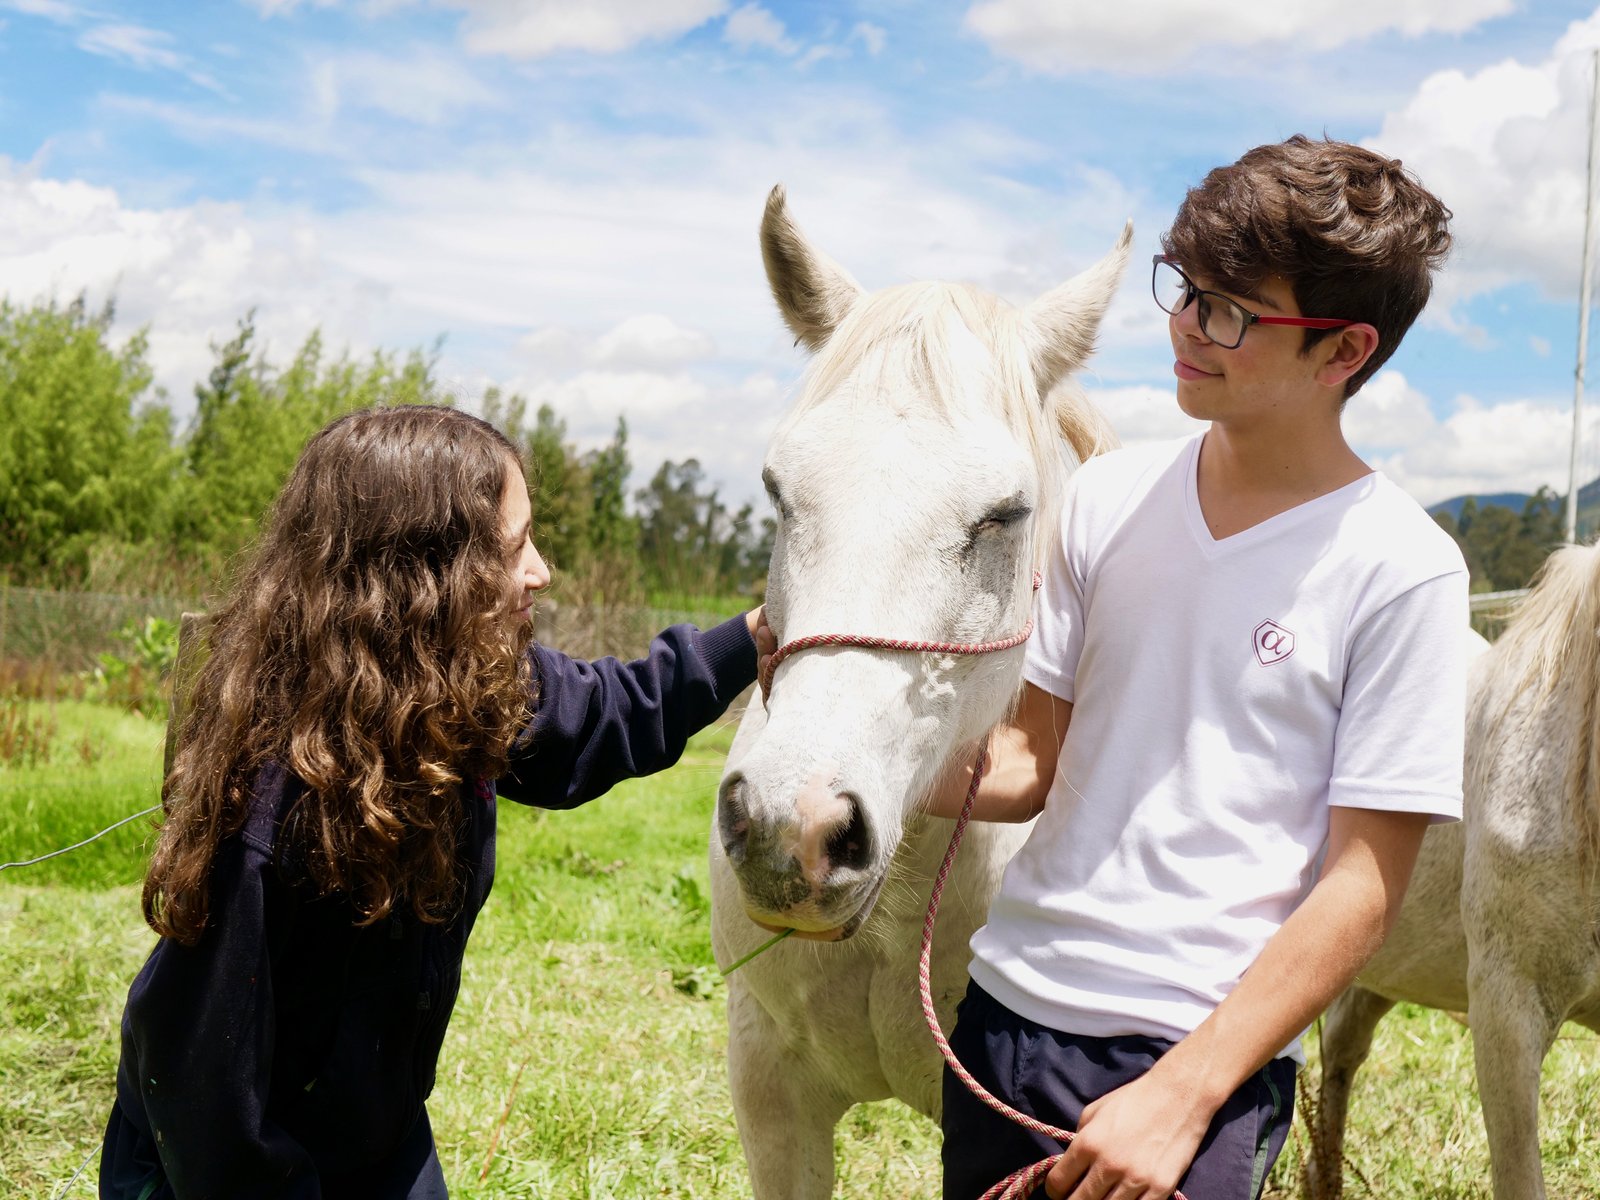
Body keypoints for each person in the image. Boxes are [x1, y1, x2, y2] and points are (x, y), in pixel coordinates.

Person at [932, 136, 1467, 1200]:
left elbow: (1363, 884)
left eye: (1229, 310)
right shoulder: (1104, 498)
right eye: (1183, 291)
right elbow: (1028, 764)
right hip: (1005, 1016)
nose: (1186, 327)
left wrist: (1183, 1093)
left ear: (1341, 352)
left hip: (1197, 1059)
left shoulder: (1402, 570)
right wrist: (855, 764)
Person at [99, 405, 770, 1199]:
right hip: (231, 1166)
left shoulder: (458, 693)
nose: (541, 571)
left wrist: (750, 637)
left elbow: (602, 710)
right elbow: (204, 1091)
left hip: (376, 1132)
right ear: (424, 578)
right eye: (515, 546)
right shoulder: (273, 807)